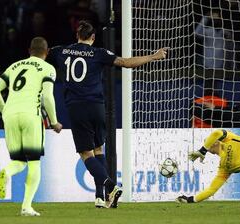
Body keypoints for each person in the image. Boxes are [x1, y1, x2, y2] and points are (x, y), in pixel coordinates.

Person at [47, 20, 168, 208]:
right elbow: (126, 63)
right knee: (98, 149)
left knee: (85, 154)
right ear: (93, 38)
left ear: (76, 36)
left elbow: (42, 52)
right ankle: (100, 197)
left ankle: (110, 186)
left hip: (77, 107)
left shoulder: (61, 51)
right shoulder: (99, 53)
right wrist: (153, 56)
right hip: (97, 107)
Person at [0, 37, 62, 216]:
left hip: (11, 116)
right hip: (31, 115)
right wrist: (54, 121)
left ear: (29, 50)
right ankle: (26, 207)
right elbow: (47, 96)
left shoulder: (14, 66)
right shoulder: (47, 68)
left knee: (19, 161)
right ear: (47, 52)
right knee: (34, 163)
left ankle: (5, 172)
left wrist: (5, 111)